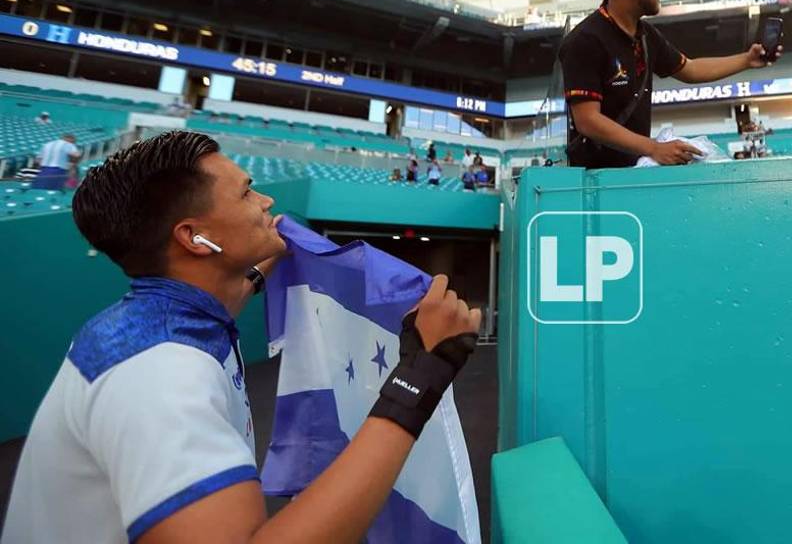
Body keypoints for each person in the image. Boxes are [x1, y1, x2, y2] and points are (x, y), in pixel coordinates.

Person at [2, 131, 480, 544]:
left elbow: (224, 293)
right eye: (247, 193)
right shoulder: (159, 375)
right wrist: (419, 375)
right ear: (196, 239)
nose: (266, 202)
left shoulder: (162, 318)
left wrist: (254, 267)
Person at [560, 0, 781, 168]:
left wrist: (746, 59)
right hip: (591, 182)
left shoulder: (646, 36)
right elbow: (587, 120)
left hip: (631, 173)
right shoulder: (585, 40)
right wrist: (653, 148)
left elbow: (691, 69)